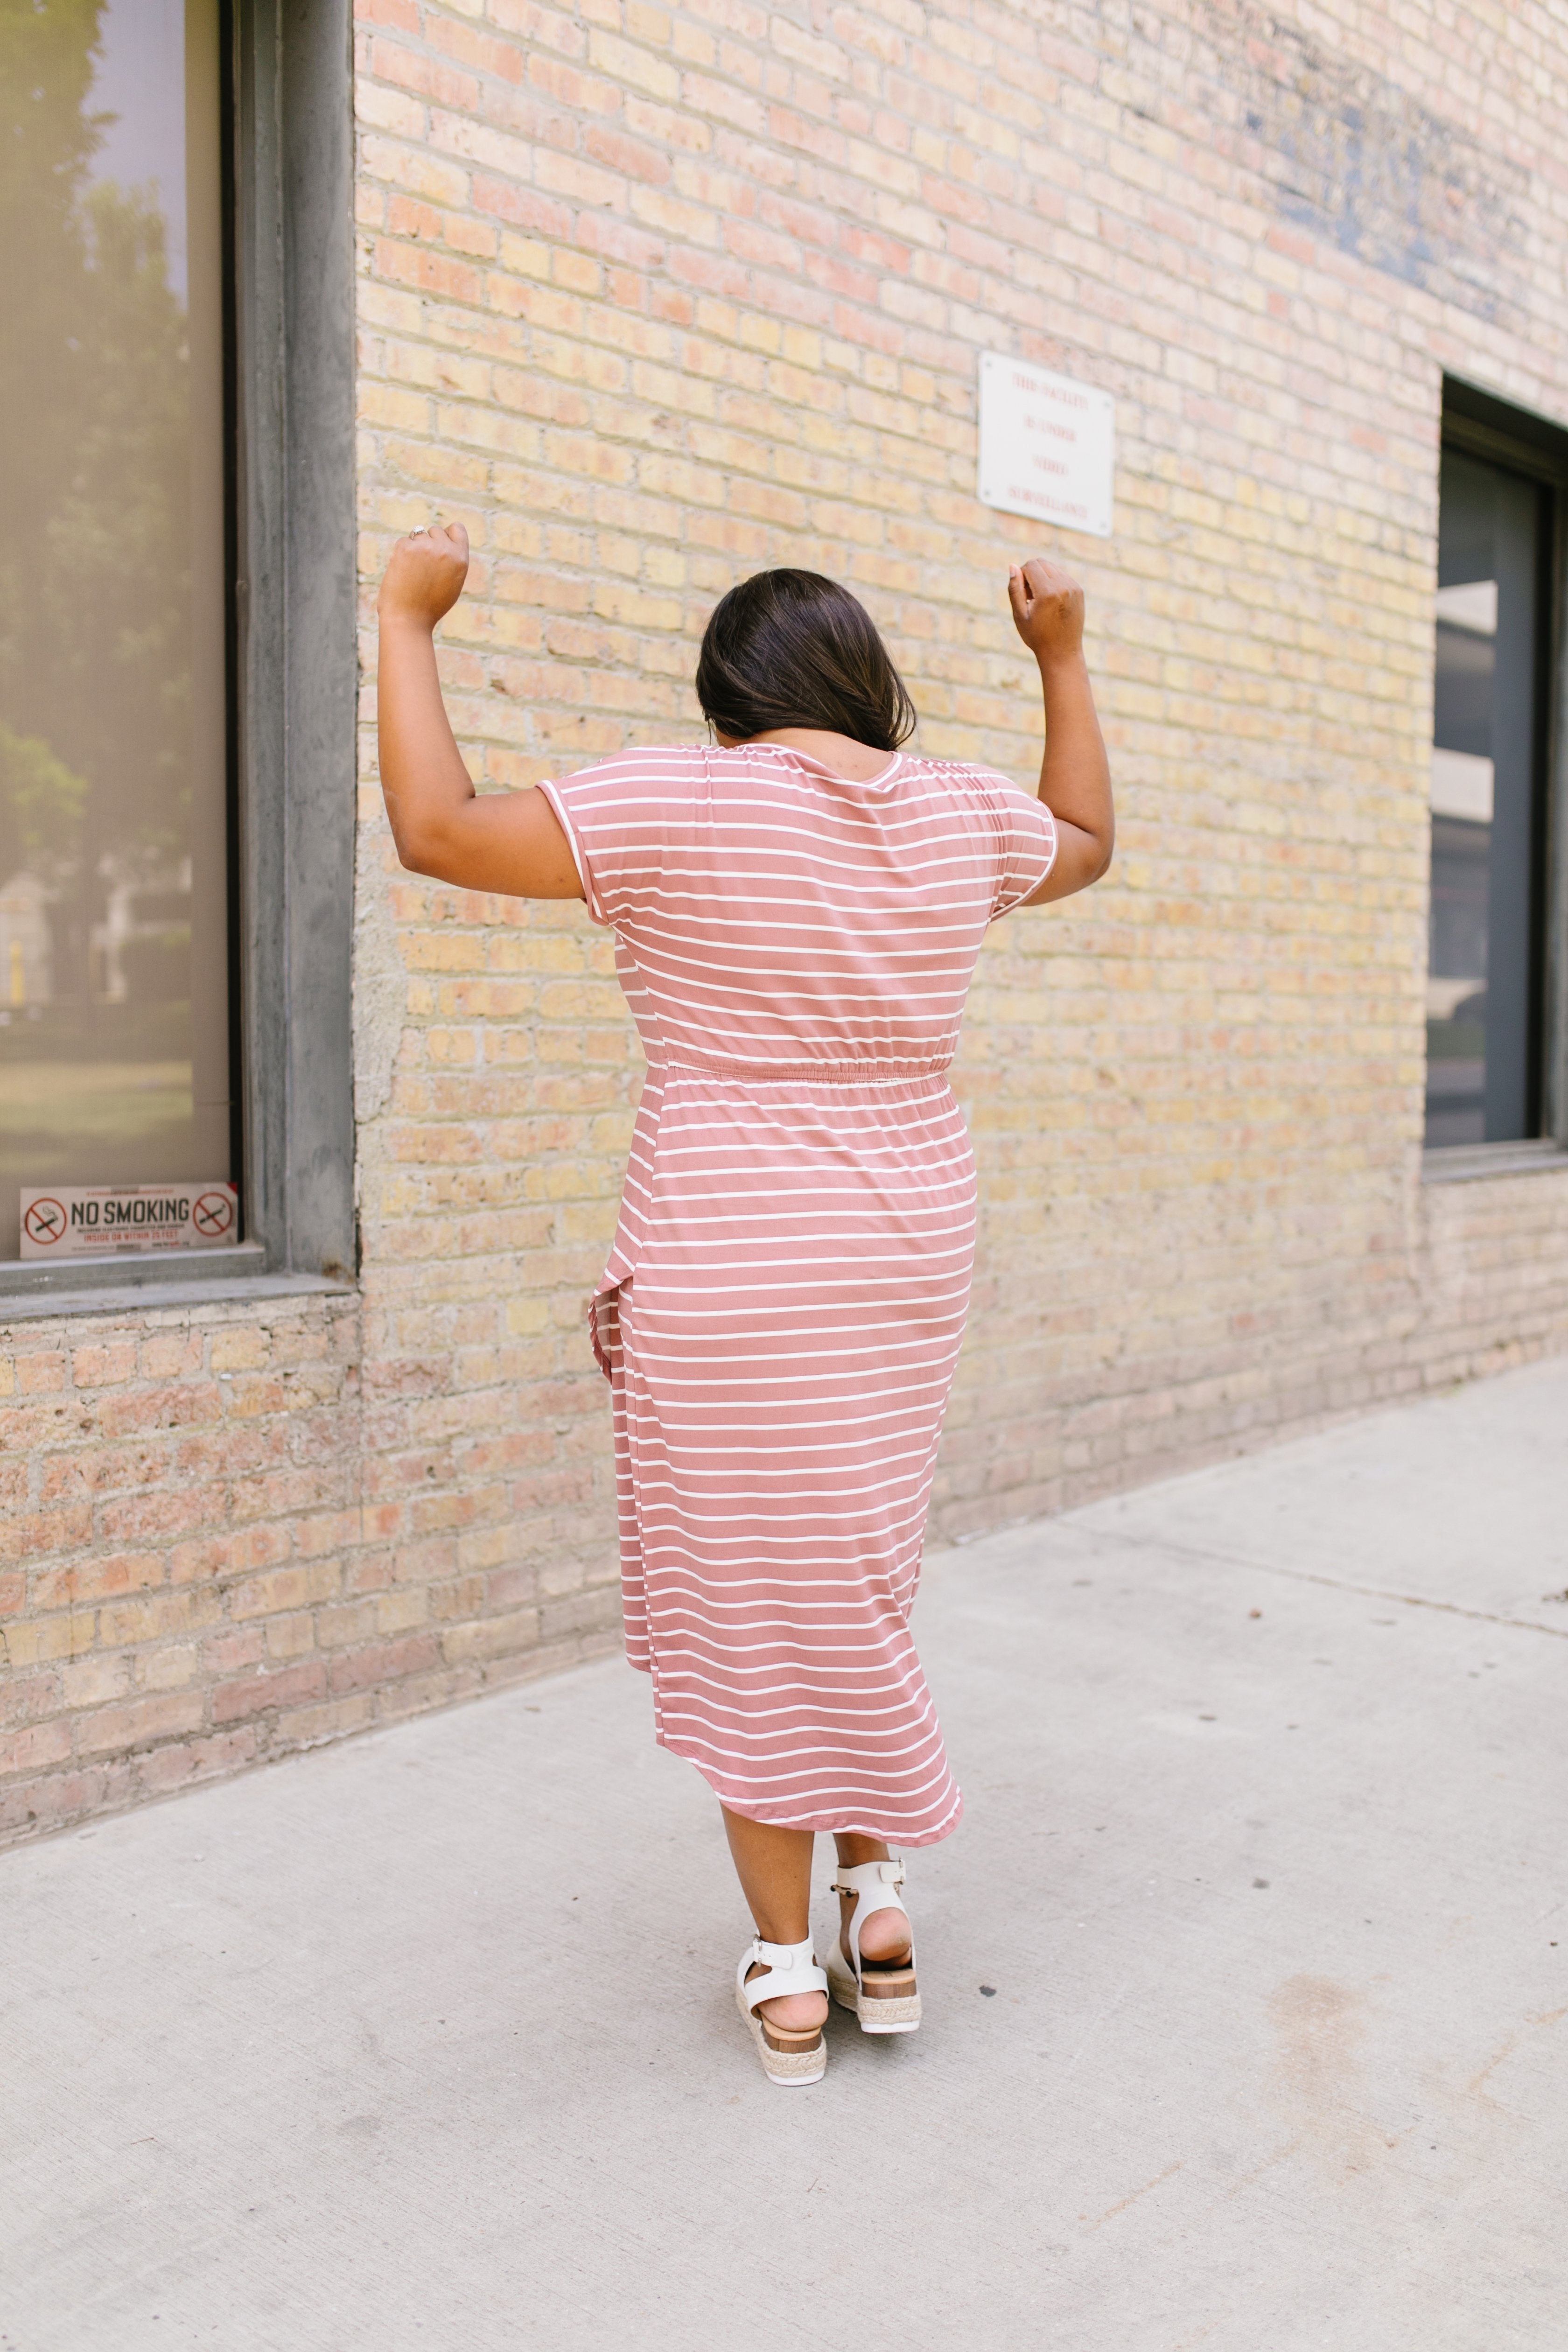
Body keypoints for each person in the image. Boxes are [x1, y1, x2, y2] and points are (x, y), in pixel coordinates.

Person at [376, 532, 1113, 2086]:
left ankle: (789, 1974)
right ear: (874, 689)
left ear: (727, 704)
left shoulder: (682, 799)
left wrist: (404, 615)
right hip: (909, 1241)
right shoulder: (962, 810)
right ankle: (879, 1906)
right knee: (852, 1567)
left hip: (736, 1248)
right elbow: (1090, 837)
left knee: (754, 1605)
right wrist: (1059, 651)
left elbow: (437, 831)